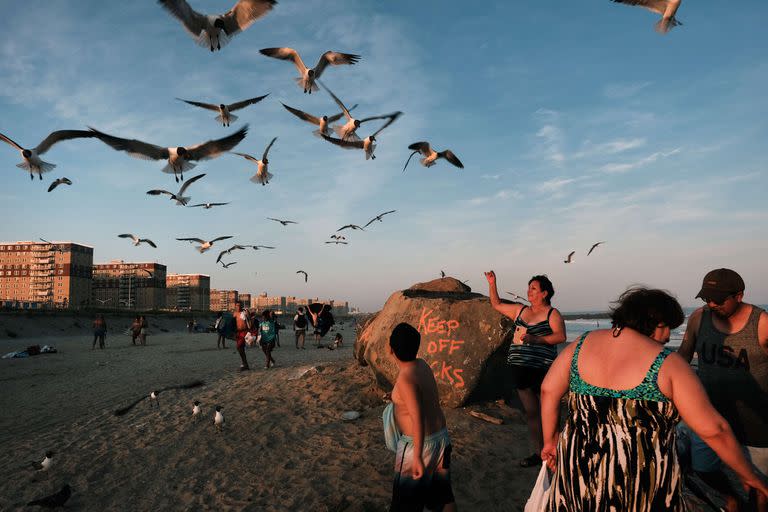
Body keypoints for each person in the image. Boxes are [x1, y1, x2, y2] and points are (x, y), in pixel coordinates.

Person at [539, 287, 768, 511]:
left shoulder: (580, 344)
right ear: (651, 321)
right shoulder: (667, 364)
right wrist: (747, 475)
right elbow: (713, 429)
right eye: (665, 326)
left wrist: (550, 441)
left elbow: (548, 390)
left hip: (578, 466)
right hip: (639, 476)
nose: (668, 335)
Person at [678, 268, 768, 511]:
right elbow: (682, 358)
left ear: (738, 296)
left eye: (718, 299)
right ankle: (731, 502)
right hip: (708, 418)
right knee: (705, 474)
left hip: (756, 425)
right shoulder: (700, 318)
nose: (711, 304)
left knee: (759, 488)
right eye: (707, 298)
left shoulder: (762, 324)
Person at [484, 271, 566, 467]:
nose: (529, 292)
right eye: (529, 288)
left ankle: (555, 449)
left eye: (534, 288)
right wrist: (493, 282)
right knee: (531, 412)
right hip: (519, 368)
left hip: (542, 369)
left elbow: (560, 336)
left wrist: (536, 339)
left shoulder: (552, 314)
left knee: (548, 410)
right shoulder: (520, 310)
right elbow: (495, 304)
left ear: (545, 293)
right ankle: (539, 453)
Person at [386, 322, 456, 512]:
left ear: (390, 349)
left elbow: (417, 417)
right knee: (443, 496)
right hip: (441, 438)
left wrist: (416, 456)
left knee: (404, 503)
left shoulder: (405, 379)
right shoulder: (422, 365)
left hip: (418, 445)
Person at [233, 302, 251, 371]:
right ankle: (245, 364)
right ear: (235, 306)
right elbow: (233, 324)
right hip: (238, 333)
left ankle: (245, 364)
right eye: (237, 305)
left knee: (239, 347)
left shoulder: (244, 312)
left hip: (244, 332)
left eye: (240, 306)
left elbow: (249, 321)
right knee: (240, 349)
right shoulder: (234, 314)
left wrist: (250, 331)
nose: (238, 307)